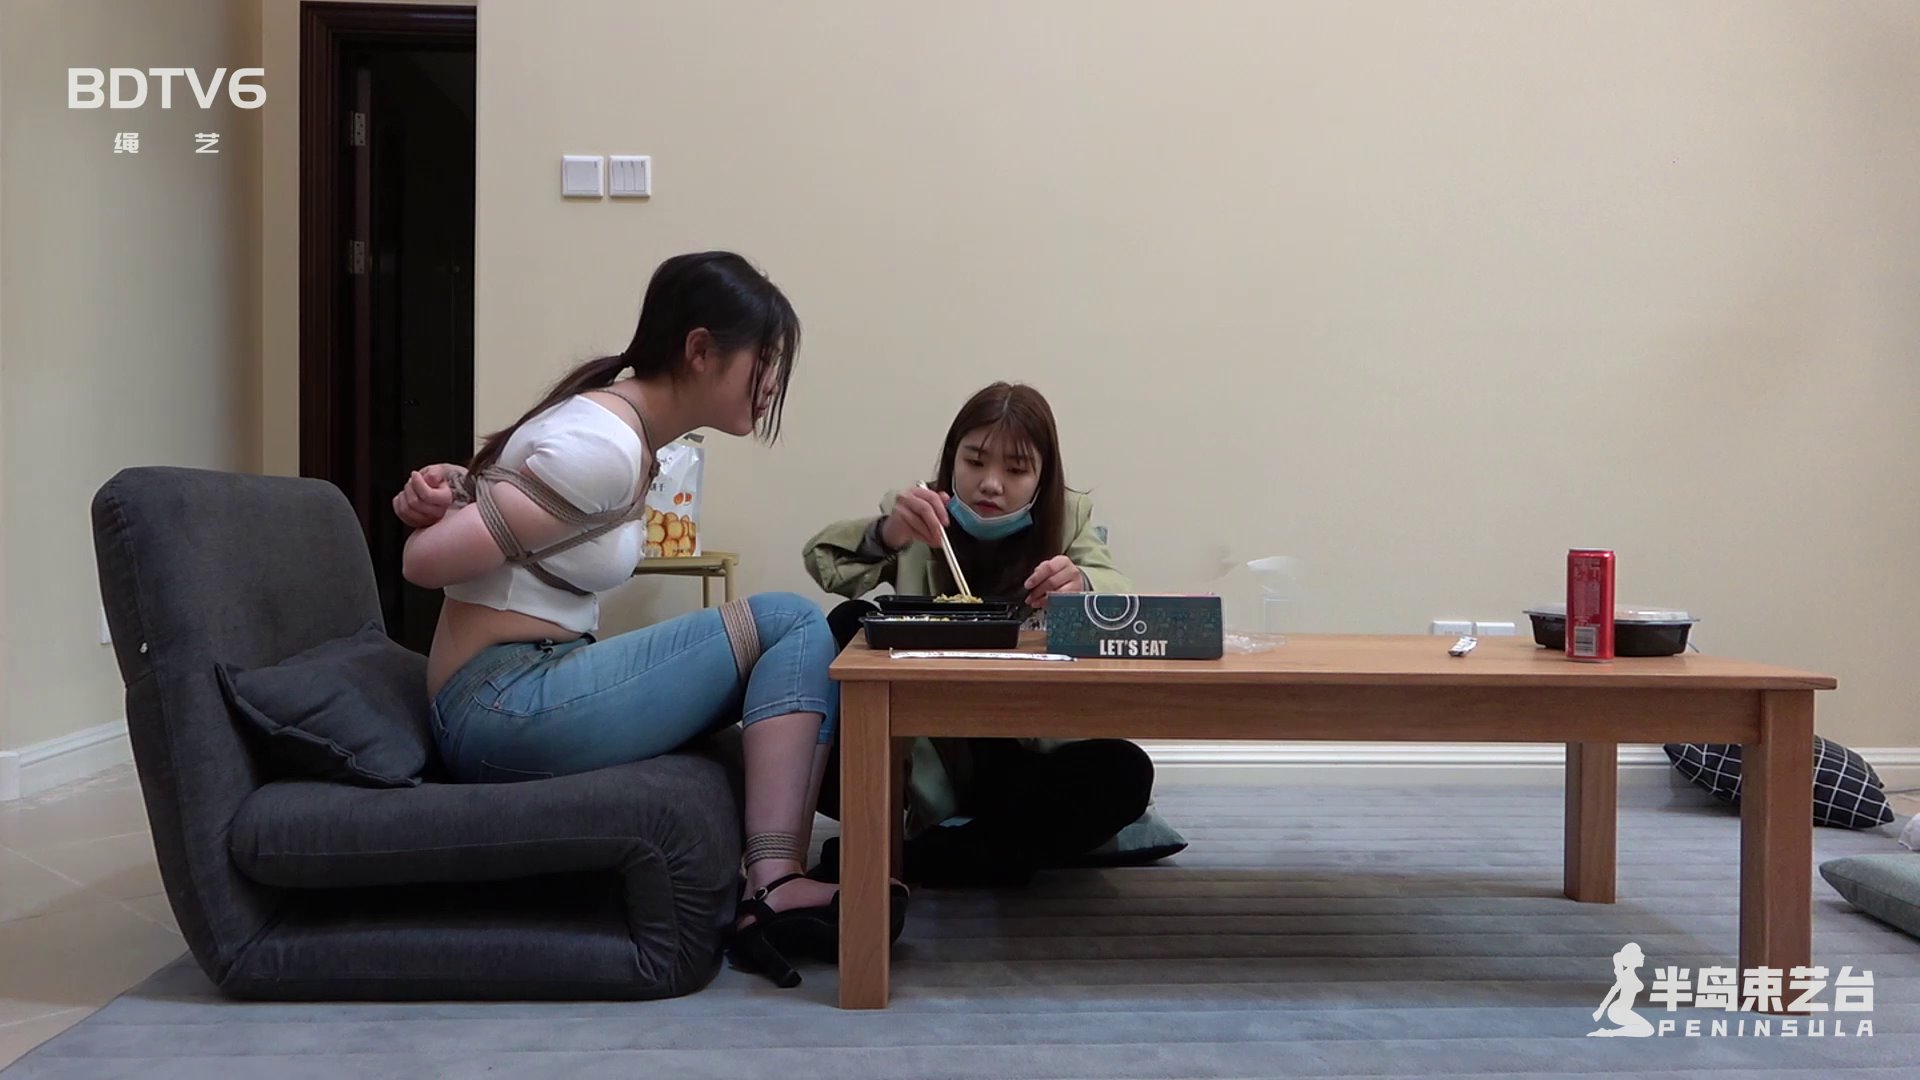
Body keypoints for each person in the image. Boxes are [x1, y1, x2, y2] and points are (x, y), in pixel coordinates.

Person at [390, 251, 902, 988]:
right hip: (499, 708)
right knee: (792, 622)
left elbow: (492, 524)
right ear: (700, 350)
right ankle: (775, 882)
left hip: (516, 689)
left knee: (793, 630)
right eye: (764, 361)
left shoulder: (611, 428)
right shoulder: (604, 448)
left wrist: (449, 492)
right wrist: (436, 509)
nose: (771, 385)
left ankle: (773, 882)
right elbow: (423, 563)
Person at [802, 381, 1184, 887]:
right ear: (951, 459)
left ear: (1043, 478)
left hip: (1021, 750)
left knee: (1125, 771)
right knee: (846, 623)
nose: (991, 484)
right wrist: (887, 533)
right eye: (975, 461)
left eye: (1016, 470)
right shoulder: (921, 514)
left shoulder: (1069, 518)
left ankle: (917, 859)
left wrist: (1081, 582)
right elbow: (825, 564)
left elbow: (1118, 590)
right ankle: (981, 852)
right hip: (927, 750)